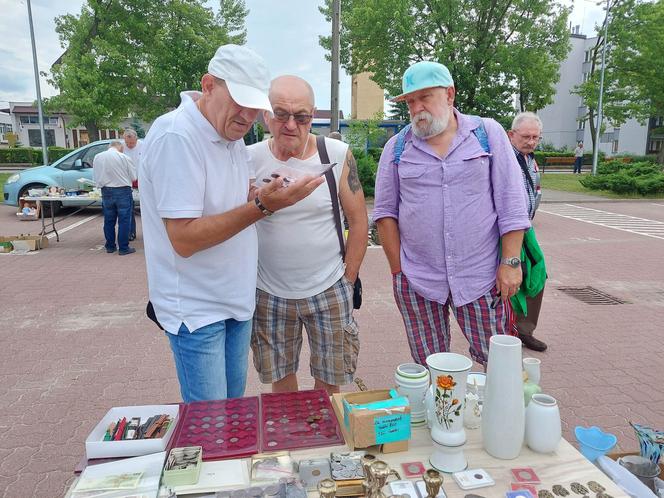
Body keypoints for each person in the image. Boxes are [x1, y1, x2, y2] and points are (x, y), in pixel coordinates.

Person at [138, 45, 323, 402]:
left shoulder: (229, 135)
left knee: (231, 415)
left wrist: (260, 191)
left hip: (234, 301)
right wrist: (261, 206)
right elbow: (184, 238)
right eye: (239, 101)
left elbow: (223, 200)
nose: (247, 115)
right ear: (208, 85)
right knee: (211, 423)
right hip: (198, 309)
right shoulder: (178, 136)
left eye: (255, 106)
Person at [373, 61, 531, 367]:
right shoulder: (396, 148)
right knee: (430, 367)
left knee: (499, 364)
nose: (417, 108)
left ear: (449, 94)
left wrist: (510, 262)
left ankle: (499, 415)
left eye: (425, 98)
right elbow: (385, 214)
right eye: (410, 101)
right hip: (418, 280)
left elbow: (512, 204)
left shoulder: (487, 133)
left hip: (483, 277)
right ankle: (440, 414)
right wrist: (398, 273)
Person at [249, 75, 368, 395]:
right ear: (265, 116)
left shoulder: (336, 154)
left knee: (330, 382)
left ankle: (328, 439)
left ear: (312, 115)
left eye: (301, 116)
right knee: (280, 380)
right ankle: (291, 439)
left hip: (329, 288)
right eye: (281, 114)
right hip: (268, 292)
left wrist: (349, 278)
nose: (290, 124)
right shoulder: (250, 158)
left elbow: (359, 221)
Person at [508, 112, 548, 352]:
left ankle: (524, 329)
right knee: (512, 277)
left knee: (537, 274)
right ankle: (508, 330)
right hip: (508, 230)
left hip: (526, 229)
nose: (531, 141)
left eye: (536, 137)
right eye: (526, 136)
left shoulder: (529, 158)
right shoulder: (505, 158)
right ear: (511, 135)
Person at [93, 140, 137, 255]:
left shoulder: (98, 157)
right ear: (120, 147)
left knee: (108, 220)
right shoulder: (124, 157)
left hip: (106, 190)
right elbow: (133, 177)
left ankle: (110, 246)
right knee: (124, 220)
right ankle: (123, 248)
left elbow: (96, 177)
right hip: (122, 190)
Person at [122, 128, 143, 241]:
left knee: (145, 207)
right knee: (129, 208)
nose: (130, 145)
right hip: (127, 180)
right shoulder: (121, 147)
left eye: (132, 143)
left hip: (141, 179)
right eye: (127, 143)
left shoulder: (143, 146)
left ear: (136, 139)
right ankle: (131, 233)